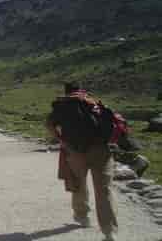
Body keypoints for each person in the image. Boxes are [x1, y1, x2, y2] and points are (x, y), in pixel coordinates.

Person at [46, 82, 118, 241]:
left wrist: (61, 139)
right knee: (104, 190)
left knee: (78, 183)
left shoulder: (62, 105)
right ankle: (108, 231)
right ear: (81, 90)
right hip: (101, 150)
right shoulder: (92, 102)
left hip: (76, 151)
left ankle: (82, 216)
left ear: (66, 92)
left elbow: (50, 124)